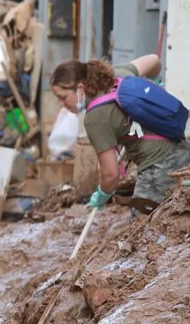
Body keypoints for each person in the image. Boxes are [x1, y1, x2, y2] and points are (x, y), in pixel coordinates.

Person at [51, 55, 190, 209]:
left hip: (159, 167)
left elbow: (111, 174)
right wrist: (154, 82)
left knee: (142, 227)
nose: (61, 104)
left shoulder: (95, 119)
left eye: (62, 97)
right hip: (180, 145)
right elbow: (154, 60)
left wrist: (102, 195)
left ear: (80, 88)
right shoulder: (117, 73)